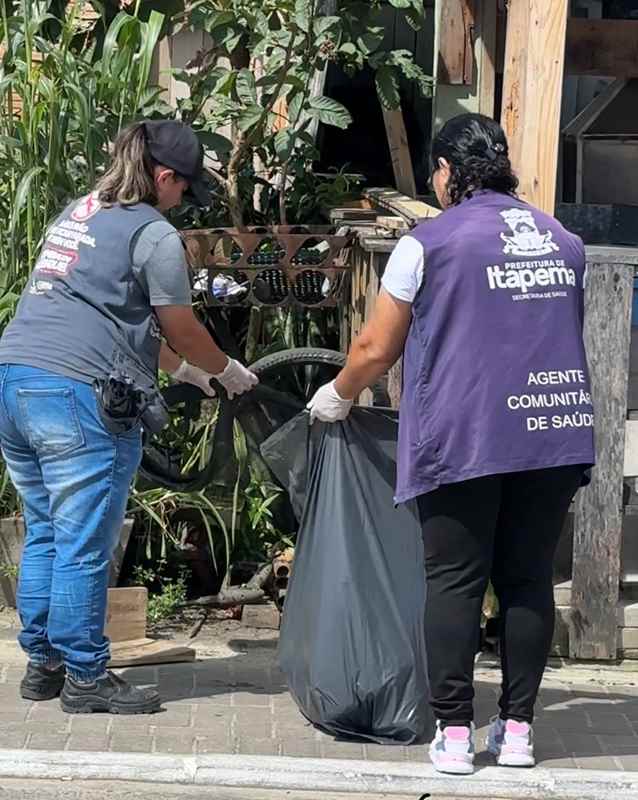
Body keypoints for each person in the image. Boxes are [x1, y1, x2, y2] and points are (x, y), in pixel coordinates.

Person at [307, 113, 595, 774]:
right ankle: (518, 731)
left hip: (466, 436)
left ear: (446, 171)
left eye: (435, 171)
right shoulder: (564, 240)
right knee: (526, 580)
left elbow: (376, 345)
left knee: (457, 581)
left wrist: (341, 393)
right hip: (552, 431)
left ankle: (457, 735)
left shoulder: (428, 243)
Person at [0, 120, 258, 714]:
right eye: (183, 191)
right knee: (86, 544)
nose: (181, 204)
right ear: (164, 177)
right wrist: (225, 370)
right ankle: (87, 677)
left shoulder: (80, 212)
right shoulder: (154, 234)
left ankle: (44, 666)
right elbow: (181, 325)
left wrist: (187, 374)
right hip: (75, 398)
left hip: (16, 382)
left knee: (46, 530)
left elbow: (118, 319)